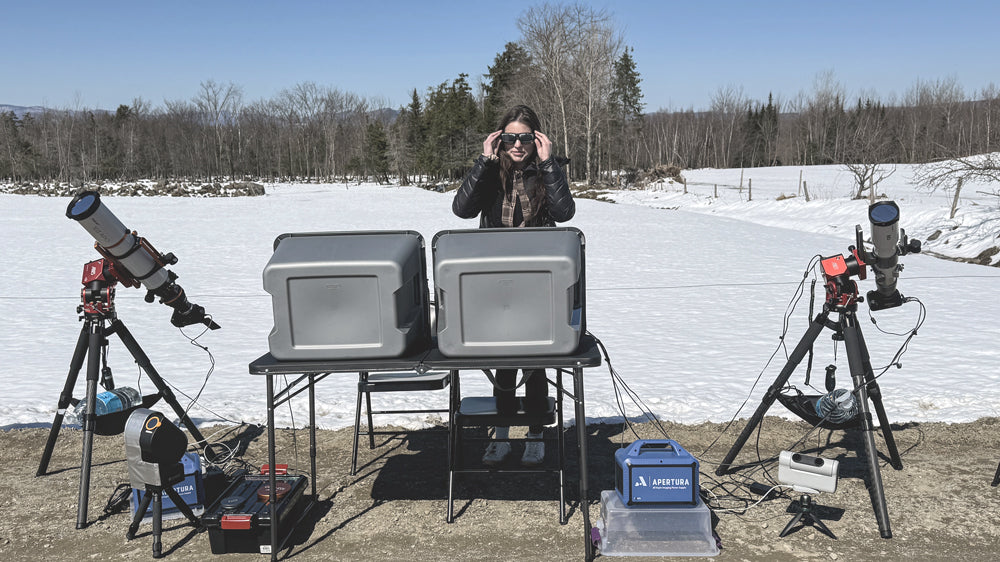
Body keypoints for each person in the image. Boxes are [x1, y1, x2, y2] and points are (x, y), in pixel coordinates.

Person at [451, 104, 575, 467]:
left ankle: (536, 434)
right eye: (510, 137)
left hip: (538, 278)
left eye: (524, 138)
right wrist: (484, 161)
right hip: (495, 277)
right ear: (499, 139)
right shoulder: (491, 173)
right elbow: (462, 209)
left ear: (536, 139)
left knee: (535, 362)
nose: (517, 145)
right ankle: (502, 434)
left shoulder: (547, 170)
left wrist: (550, 164)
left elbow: (565, 213)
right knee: (502, 360)